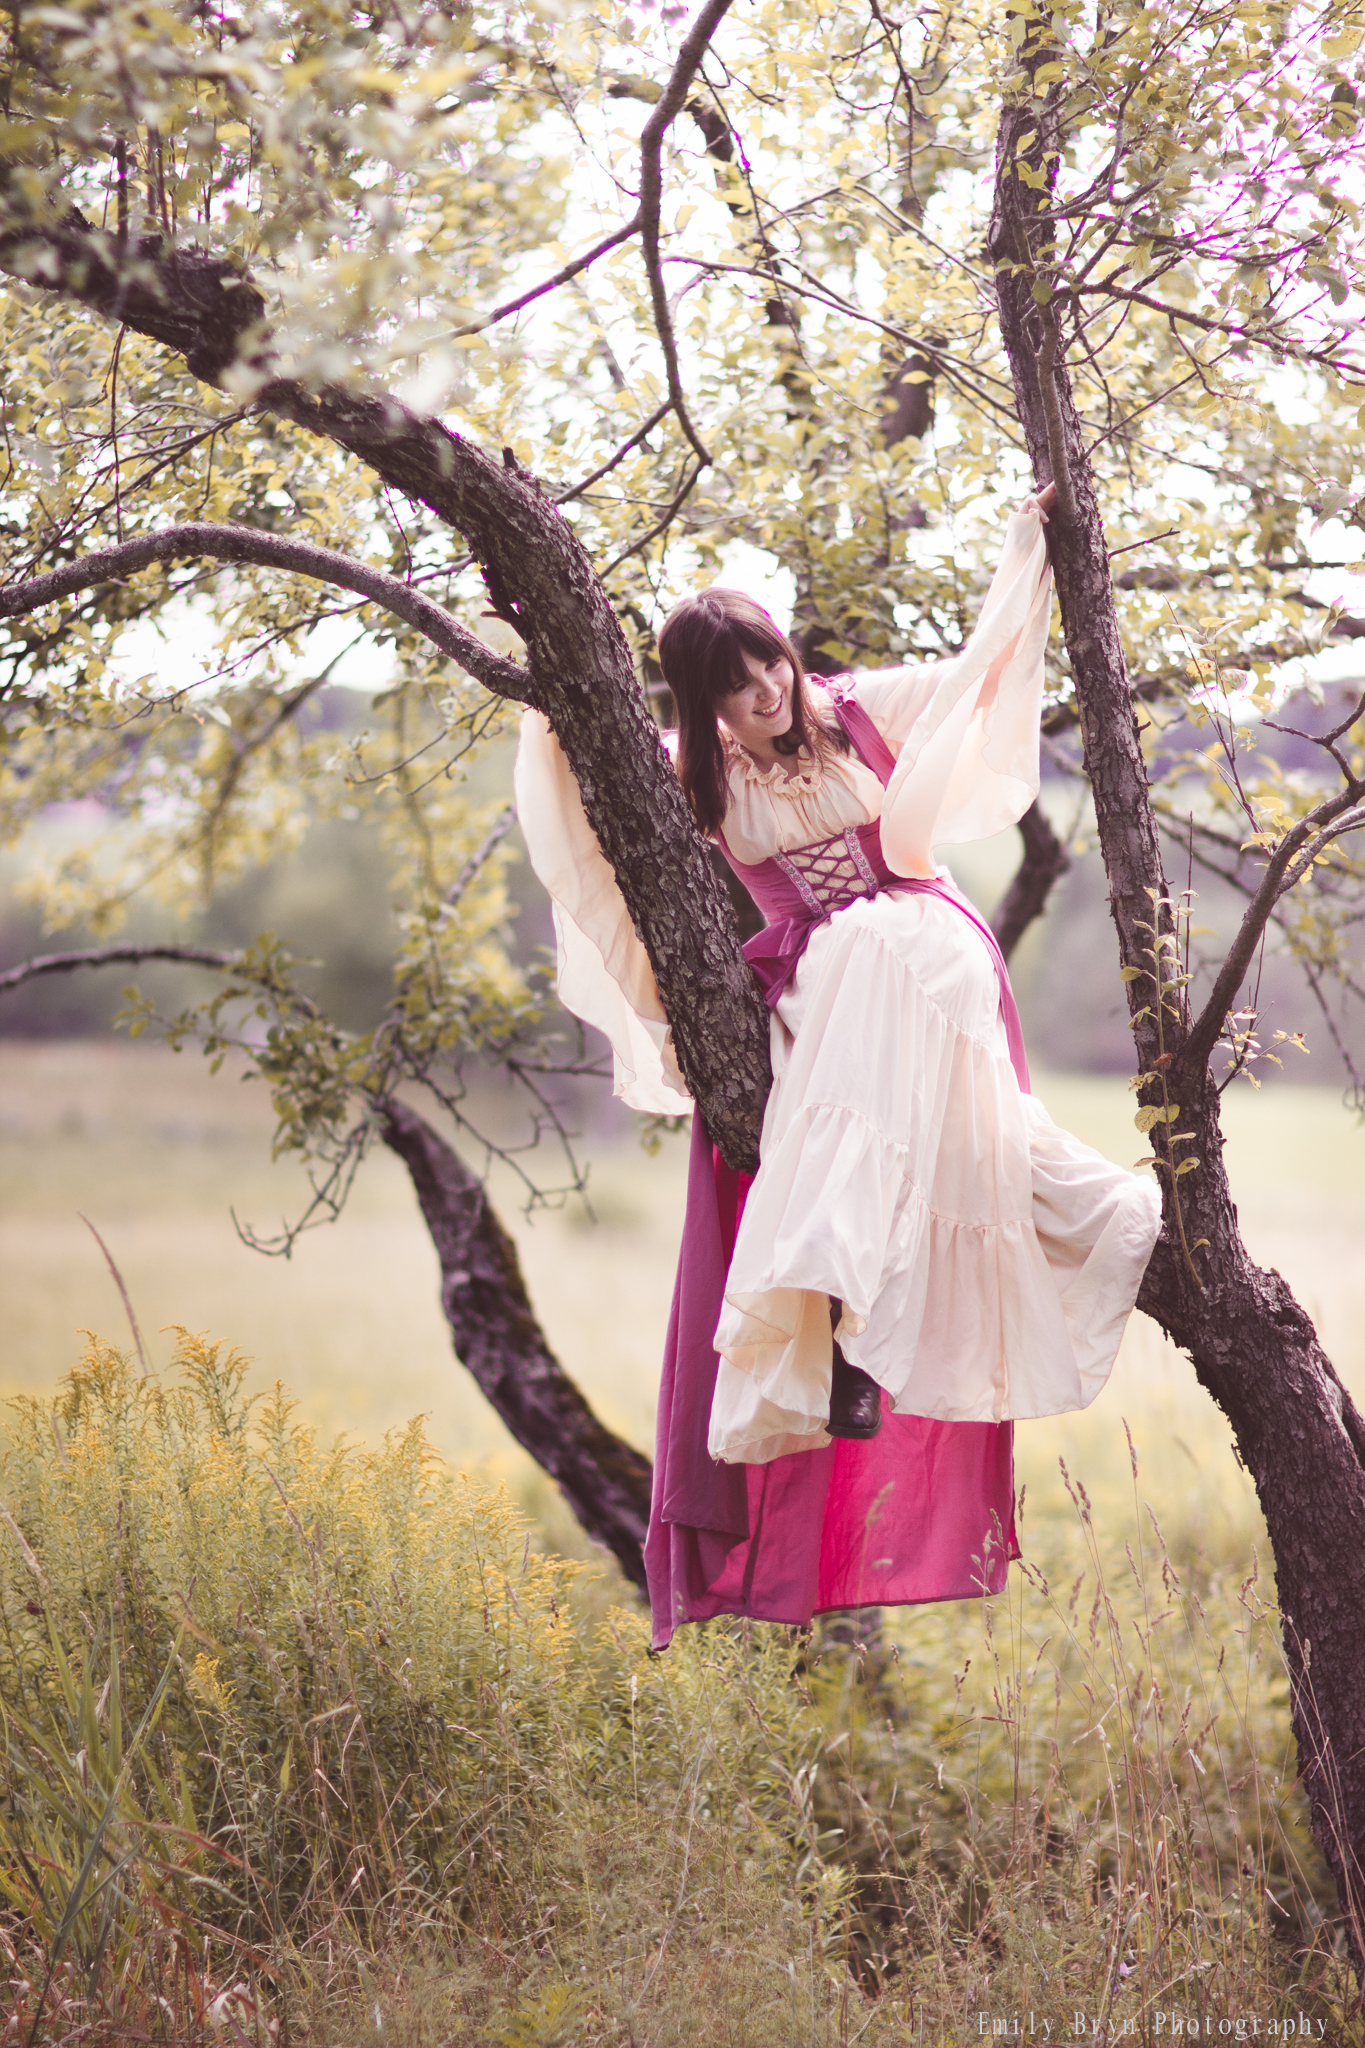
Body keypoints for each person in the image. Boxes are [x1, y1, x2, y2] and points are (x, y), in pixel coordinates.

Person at [515, 487, 1162, 1648]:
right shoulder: (696, 769)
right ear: (702, 700)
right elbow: (581, 776)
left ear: (783, 650)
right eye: (734, 687)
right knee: (880, 1007)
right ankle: (848, 1332)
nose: (764, 697)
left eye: (766, 667)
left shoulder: (861, 710)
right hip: (824, 982)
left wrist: (1026, 552)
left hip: (930, 946)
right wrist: (535, 642)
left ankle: (850, 1302)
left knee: (887, 941)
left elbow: (985, 666)